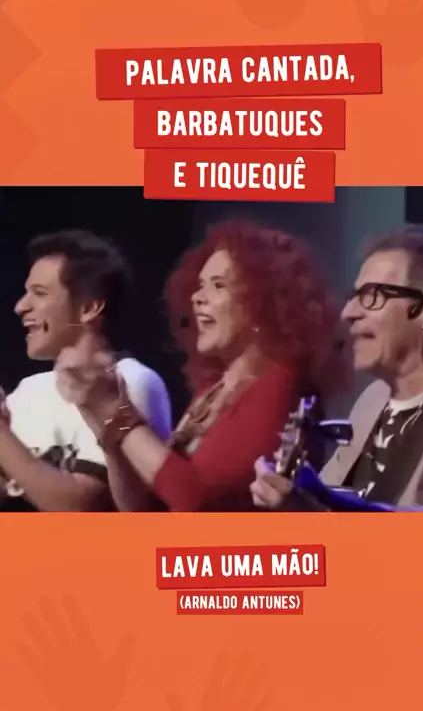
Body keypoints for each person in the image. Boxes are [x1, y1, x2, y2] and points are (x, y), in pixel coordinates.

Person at [54, 219, 349, 512]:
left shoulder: (280, 383)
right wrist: (108, 431)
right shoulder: (212, 391)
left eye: (218, 285)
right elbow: (141, 509)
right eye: (200, 285)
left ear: (263, 303)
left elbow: (199, 501)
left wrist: (119, 415)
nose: (196, 298)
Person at [250, 224, 423, 512]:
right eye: (354, 296)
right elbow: (327, 505)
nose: (348, 313)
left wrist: (322, 507)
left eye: (373, 296)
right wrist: (297, 494)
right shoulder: (373, 399)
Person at [0, 229, 172, 511]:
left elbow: (83, 509)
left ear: (89, 307)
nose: (21, 306)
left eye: (39, 293)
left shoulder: (130, 382)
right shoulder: (28, 389)